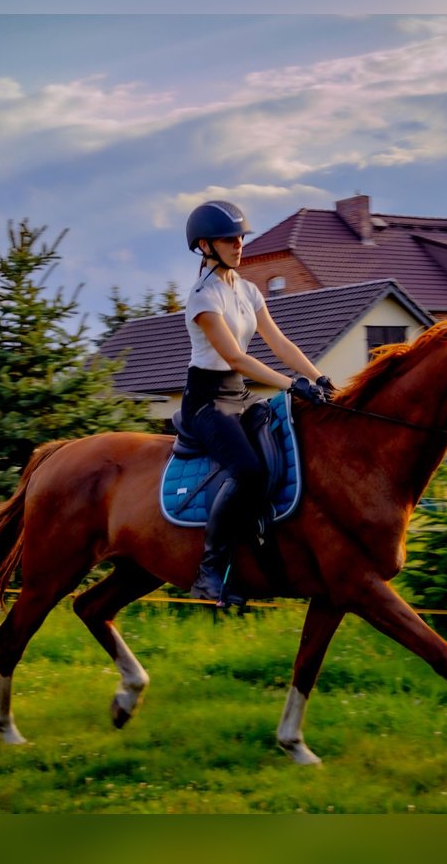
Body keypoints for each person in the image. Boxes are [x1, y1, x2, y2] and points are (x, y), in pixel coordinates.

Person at [180, 200, 335, 606]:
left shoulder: (248, 291)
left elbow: (279, 342)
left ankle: (264, 550)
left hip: (239, 394)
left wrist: (317, 377)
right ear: (204, 245)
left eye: (240, 237)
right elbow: (235, 358)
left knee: (288, 443)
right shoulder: (203, 297)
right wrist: (291, 384)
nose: (238, 244)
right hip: (206, 401)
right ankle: (209, 573)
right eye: (228, 239)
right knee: (247, 470)